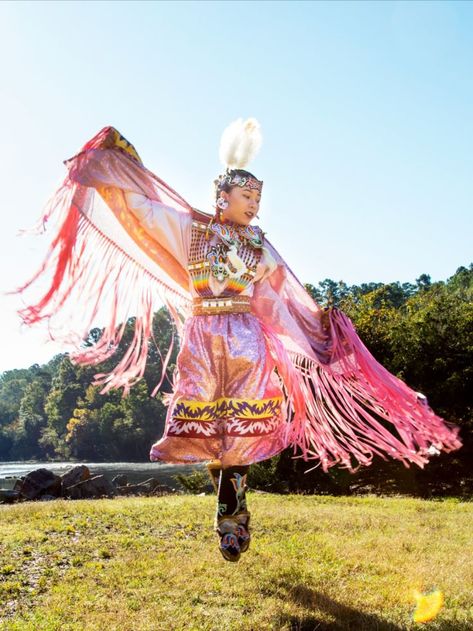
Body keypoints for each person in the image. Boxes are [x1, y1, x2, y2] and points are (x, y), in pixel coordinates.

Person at [12, 118, 462, 562]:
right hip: (202, 339)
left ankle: (230, 522)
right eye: (246, 196)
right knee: (213, 436)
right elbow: (144, 211)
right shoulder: (192, 230)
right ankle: (232, 513)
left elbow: (282, 297)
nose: (253, 205)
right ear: (222, 197)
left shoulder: (260, 247)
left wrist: (321, 328)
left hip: (246, 342)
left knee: (239, 438)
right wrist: (117, 163)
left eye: (258, 198)